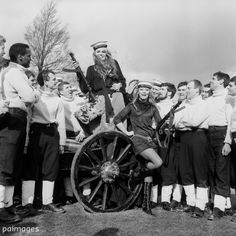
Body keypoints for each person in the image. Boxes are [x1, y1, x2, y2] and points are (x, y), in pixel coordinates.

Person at [0, 43, 38, 223]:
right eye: (28, 55)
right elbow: (30, 97)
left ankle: (7, 206)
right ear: (20, 57)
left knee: (12, 165)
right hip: (13, 118)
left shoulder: (15, 72)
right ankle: (1, 208)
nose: (31, 58)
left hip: (18, 118)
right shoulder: (15, 73)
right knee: (7, 164)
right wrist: (34, 94)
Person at [114, 81, 162, 215]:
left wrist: (158, 126)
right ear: (138, 91)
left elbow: (159, 123)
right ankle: (136, 174)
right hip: (138, 140)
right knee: (158, 162)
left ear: (149, 92)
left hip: (151, 141)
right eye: (142, 90)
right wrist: (127, 132)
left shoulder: (153, 107)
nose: (144, 92)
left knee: (149, 172)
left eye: (147, 90)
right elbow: (117, 119)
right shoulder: (131, 106)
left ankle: (146, 206)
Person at [21, 70, 66, 214]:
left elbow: (61, 122)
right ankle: (27, 204)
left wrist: (62, 142)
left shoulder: (58, 100)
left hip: (52, 134)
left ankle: (48, 202)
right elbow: (28, 119)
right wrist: (26, 141)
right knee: (31, 167)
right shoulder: (35, 96)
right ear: (45, 81)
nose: (55, 82)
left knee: (50, 168)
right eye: (52, 79)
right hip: (36, 133)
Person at [174, 80, 210, 218]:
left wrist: (184, 121)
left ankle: (200, 206)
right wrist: (184, 122)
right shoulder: (184, 104)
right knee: (185, 170)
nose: (186, 90)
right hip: (184, 138)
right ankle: (191, 203)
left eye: (189, 88)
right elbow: (176, 123)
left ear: (197, 90)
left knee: (199, 172)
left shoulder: (204, 104)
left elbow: (195, 122)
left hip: (198, 137)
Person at [77, 41, 126, 132]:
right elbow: (85, 89)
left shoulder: (114, 64)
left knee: (117, 126)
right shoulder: (91, 69)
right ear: (94, 54)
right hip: (99, 100)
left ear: (107, 53)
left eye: (103, 51)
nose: (101, 54)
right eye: (98, 51)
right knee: (99, 128)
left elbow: (122, 80)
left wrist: (120, 85)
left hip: (116, 98)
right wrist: (79, 74)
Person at [206, 71, 232, 220]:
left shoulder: (227, 98)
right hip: (208, 134)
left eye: (213, 79)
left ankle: (219, 208)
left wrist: (227, 141)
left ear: (222, 82)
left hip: (222, 134)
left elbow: (230, 121)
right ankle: (218, 203)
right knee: (211, 170)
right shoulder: (210, 99)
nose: (211, 81)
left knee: (221, 171)